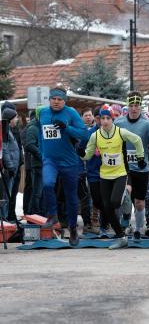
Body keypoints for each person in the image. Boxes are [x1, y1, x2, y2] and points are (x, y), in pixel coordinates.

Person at [81, 105, 146, 249]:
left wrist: (141, 157)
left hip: (120, 174)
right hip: (104, 175)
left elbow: (137, 140)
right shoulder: (95, 136)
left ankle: (124, 195)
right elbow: (88, 155)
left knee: (115, 202)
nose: (105, 121)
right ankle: (121, 237)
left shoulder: (120, 132)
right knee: (107, 208)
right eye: (102, 118)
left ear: (112, 120)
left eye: (108, 118)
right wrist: (81, 153)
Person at [38, 87, 88, 246]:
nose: (56, 101)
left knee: (71, 196)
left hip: (69, 161)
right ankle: (53, 216)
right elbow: (41, 134)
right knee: (47, 184)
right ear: (49, 99)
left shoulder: (71, 113)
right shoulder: (43, 113)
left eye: (60, 99)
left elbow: (83, 134)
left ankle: (72, 228)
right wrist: (42, 152)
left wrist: (67, 128)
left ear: (64, 101)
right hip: (50, 160)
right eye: (54, 99)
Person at [114, 91, 149, 241]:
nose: (134, 108)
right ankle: (126, 218)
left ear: (140, 106)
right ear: (128, 106)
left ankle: (138, 229)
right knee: (126, 191)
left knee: (139, 202)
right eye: (131, 105)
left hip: (141, 168)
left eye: (137, 105)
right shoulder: (118, 123)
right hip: (124, 167)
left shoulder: (147, 124)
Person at [24, 107, 44, 216]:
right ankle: (35, 215)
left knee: (43, 193)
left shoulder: (43, 126)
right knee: (37, 193)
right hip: (37, 164)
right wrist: (41, 155)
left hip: (45, 164)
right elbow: (29, 145)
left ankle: (42, 214)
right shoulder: (33, 128)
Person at [1, 108, 20, 221]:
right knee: (5, 195)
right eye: (15, 117)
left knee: (7, 195)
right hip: (9, 169)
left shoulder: (8, 131)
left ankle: (5, 217)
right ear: (10, 119)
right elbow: (5, 150)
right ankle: (3, 218)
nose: (17, 120)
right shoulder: (5, 132)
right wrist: (10, 166)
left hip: (12, 168)